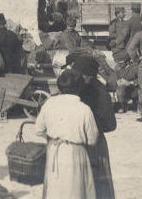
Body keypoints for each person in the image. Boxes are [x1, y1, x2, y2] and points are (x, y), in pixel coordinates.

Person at [34, 69, 99, 199]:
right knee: (75, 190)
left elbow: (39, 130)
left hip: (54, 152)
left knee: (55, 189)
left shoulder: (49, 104)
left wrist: (54, 138)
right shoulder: (84, 109)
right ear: (79, 87)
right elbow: (92, 139)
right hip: (76, 154)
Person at [69, 56, 115, 199]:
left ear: (88, 75)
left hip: (95, 146)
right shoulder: (76, 90)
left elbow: (110, 124)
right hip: (77, 144)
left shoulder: (101, 93)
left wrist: (90, 125)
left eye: (78, 75)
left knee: (96, 185)